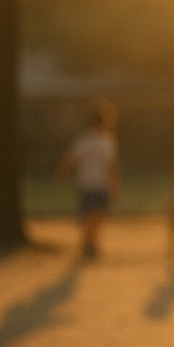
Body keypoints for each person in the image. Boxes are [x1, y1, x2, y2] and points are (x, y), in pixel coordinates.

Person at [55, 100, 121, 259]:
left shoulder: (109, 140)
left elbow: (111, 165)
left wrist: (114, 183)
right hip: (86, 182)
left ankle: (92, 243)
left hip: (101, 183)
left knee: (98, 214)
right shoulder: (84, 140)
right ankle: (87, 244)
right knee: (89, 214)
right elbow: (71, 158)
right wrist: (62, 172)